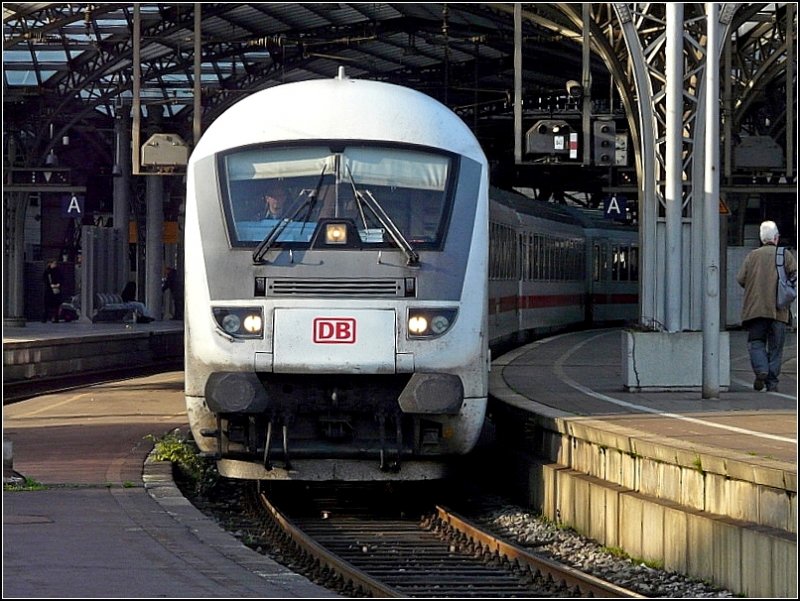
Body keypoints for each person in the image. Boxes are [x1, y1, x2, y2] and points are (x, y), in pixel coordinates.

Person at [736, 220, 797, 392]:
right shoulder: (785, 255)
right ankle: (772, 383)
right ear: (776, 238)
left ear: (762, 239)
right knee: (776, 348)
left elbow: (741, 279)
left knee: (756, 342)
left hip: (756, 310)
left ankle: (761, 369)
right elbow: (795, 275)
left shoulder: (752, 256)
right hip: (779, 310)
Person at [42, 258, 64, 323]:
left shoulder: (58, 271)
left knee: (56, 305)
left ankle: (55, 318)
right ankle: (45, 318)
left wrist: (58, 284)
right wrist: (50, 285)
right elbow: (44, 279)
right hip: (49, 290)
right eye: (54, 263)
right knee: (47, 305)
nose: (55, 265)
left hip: (56, 289)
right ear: (50, 264)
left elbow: (61, 278)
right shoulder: (47, 271)